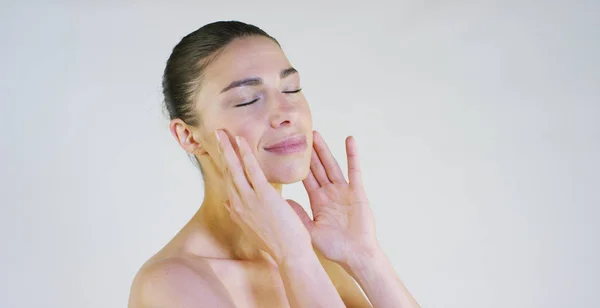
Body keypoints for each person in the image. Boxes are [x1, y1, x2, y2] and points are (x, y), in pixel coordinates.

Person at [128, 20, 420, 308]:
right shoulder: (170, 285)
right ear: (189, 136)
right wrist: (293, 256)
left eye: (291, 89)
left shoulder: (321, 254)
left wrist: (365, 257)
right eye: (247, 100)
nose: (286, 113)